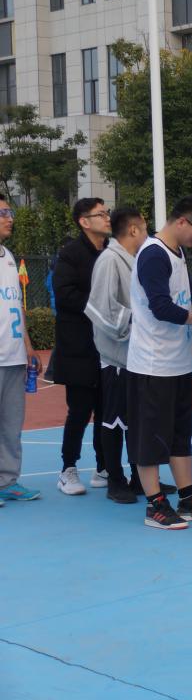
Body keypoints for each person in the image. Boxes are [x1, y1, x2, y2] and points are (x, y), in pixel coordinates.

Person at [127, 197, 192, 530]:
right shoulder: (153, 254)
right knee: (150, 437)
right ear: (182, 222)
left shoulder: (176, 252)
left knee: (180, 434)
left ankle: (188, 497)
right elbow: (160, 306)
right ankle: (155, 505)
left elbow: (181, 283)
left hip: (178, 363)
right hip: (152, 364)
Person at [84, 207, 153, 504]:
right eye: (145, 228)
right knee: (113, 420)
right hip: (116, 356)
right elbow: (102, 307)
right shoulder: (110, 260)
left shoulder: (133, 260)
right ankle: (114, 478)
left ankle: (139, 477)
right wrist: (135, 322)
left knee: (136, 419)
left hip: (135, 355)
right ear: (133, 230)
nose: (148, 234)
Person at [53, 197, 111, 496]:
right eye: (100, 214)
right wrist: (101, 307)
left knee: (107, 410)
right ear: (84, 222)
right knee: (79, 410)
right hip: (79, 347)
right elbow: (64, 294)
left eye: (107, 212)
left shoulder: (113, 251)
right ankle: (68, 469)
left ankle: (104, 467)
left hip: (108, 345)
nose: (107, 217)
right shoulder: (71, 254)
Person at [0, 196, 42, 505]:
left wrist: (28, 346)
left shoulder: (9, 257)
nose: (9, 217)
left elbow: (16, 306)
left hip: (13, 356)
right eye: (3, 212)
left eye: (9, 211)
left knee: (11, 426)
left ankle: (7, 481)